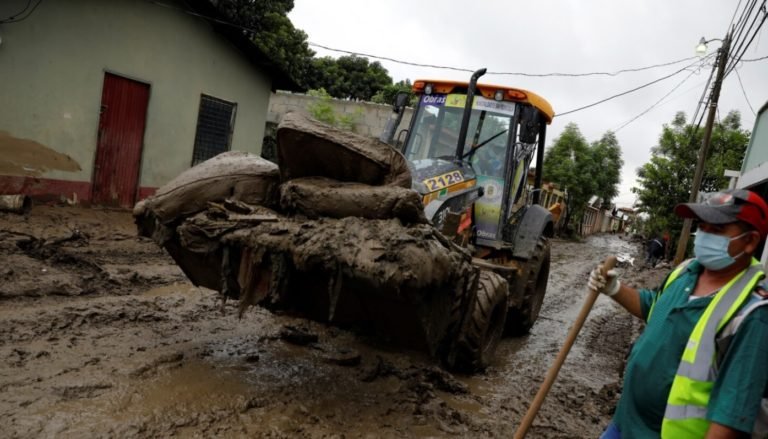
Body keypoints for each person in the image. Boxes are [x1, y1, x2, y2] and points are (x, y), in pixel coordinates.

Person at [589, 189, 768, 438]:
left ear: (750, 242)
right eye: (702, 226)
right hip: (624, 423)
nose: (704, 236)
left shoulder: (753, 312)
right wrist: (614, 289)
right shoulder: (686, 270)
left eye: (717, 230)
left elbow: (731, 417)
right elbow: (654, 307)